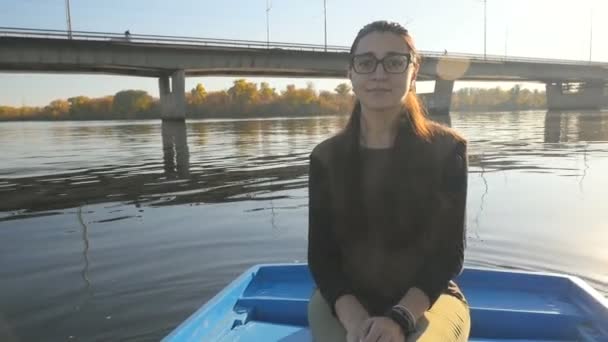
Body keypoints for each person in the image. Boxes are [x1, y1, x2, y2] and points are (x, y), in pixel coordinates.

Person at [307, 20, 470, 342]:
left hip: (429, 302)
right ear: (350, 73)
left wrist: (400, 318)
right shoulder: (325, 157)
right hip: (344, 303)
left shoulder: (448, 149)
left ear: (414, 71)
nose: (379, 74)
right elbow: (321, 257)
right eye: (366, 63)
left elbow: (448, 255)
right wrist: (354, 321)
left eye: (394, 62)